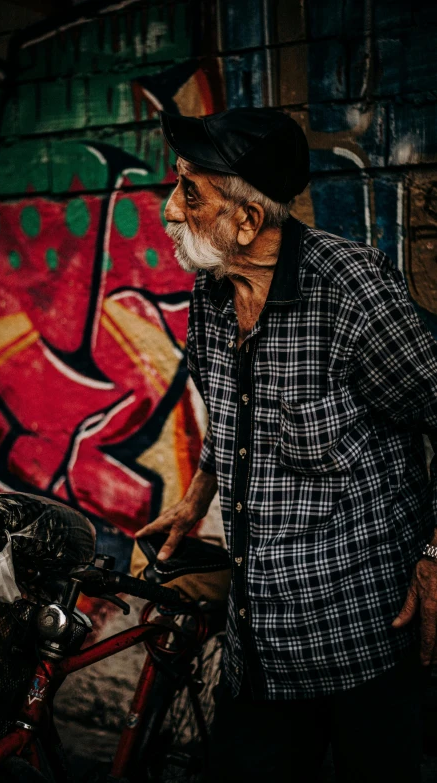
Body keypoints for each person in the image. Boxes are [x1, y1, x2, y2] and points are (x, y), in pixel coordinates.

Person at [135, 107, 437, 782]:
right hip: (257, 645)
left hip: (362, 638)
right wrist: (195, 497)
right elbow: (237, 413)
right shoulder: (210, 293)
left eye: (191, 193)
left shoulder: (351, 292)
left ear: (248, 220)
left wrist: (435, 556)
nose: (168, 211)